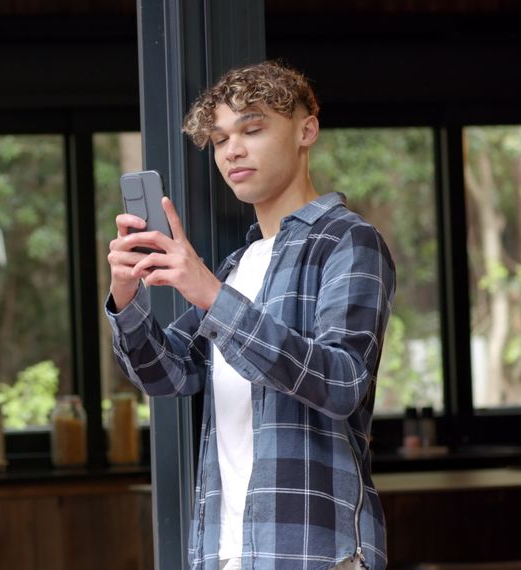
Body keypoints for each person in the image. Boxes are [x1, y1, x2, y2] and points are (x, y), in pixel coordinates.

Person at [105, 61, 395, 569]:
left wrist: (213, 296)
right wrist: (126, 295)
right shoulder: (239, 265)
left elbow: (343, 381)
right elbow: (168, 373)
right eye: (218, 140)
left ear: (307, 130)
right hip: (226, 551)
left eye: (252, 129)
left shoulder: (348, 241)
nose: (232, 150)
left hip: (313, 554)